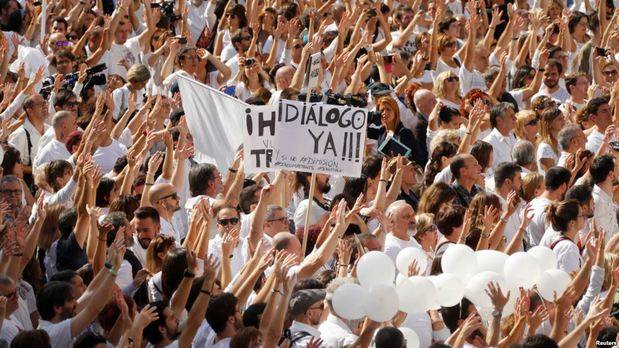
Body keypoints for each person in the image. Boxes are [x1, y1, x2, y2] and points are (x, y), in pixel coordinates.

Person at [526, 167, 571, 247]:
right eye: (568, 185)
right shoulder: (552, 210)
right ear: (564, 186)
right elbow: (554, 241)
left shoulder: (531, 203)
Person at [590, 155, 619, 242]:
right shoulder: (596, 201)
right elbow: (595, 238)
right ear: (611, 174)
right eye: (617, 167)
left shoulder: (606, 197)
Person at [482, 102, 517, 170]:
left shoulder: (512, 136)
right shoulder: (488, 143)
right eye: (511, 116)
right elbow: (487, 174)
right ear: (499, 120)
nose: (515, 118)